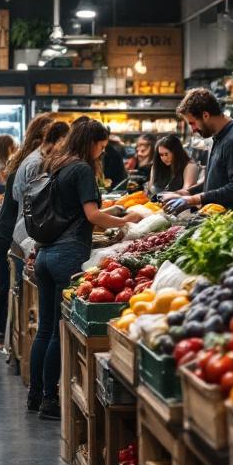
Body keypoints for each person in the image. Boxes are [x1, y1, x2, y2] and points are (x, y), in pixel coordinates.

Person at [30, 118, 140, 420]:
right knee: (57, 331)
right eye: (101, 146)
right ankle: (50, 401)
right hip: (67, 254)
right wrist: (128, 222)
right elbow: (92, 215)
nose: (102, 152)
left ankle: (36, 394)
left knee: (45, 329)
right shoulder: (81, 170)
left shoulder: (57, 163)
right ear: (92, 142)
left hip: (46, 252)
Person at [0, 118, 52, 353]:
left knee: (2, 283)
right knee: (2, 284)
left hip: (6, 230)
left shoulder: (22, 159)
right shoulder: (34, 163)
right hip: (12, 232)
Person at [160, 88, 233, 213]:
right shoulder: (219, 137)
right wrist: (187, 192)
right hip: (216, 216)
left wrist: (192, 200)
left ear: (205, 115)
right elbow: (216, 181)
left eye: (192, 123)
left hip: (232, 220)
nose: (193, 130)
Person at [12, 120, 71, 247]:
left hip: (27, 230)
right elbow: (39, 203)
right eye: (66, 144)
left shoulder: (37, 158)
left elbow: (17, 196)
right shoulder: (36, 163)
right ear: (60, 139)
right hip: (29, 234)